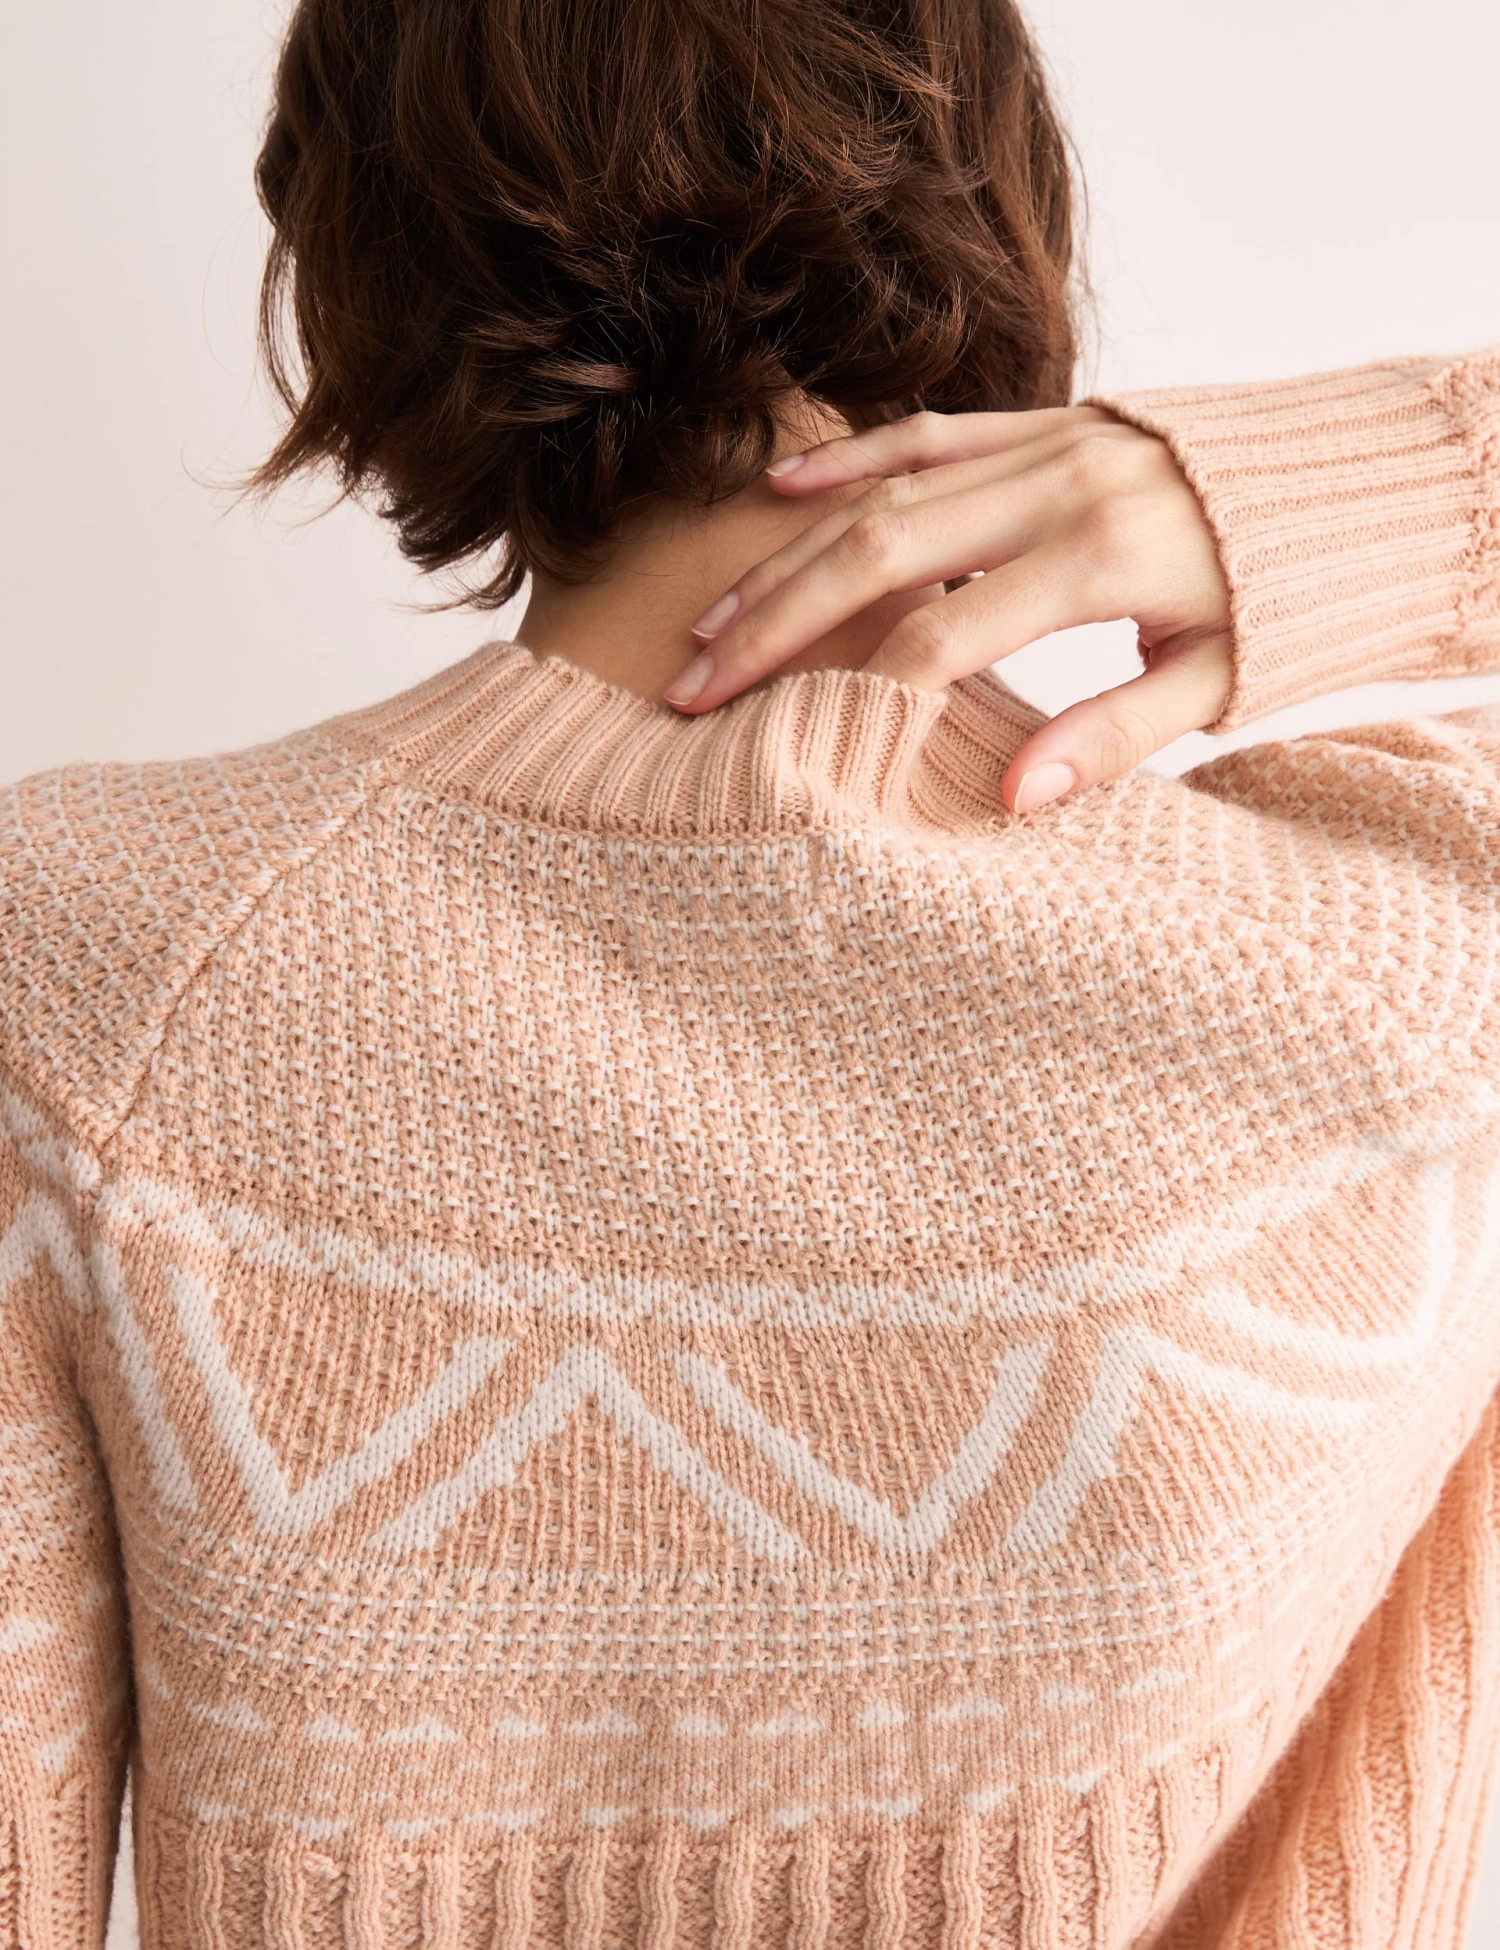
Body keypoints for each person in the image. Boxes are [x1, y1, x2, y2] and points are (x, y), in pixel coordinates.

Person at [1, 2, 1497, 1946]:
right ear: (1009, 201)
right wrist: (1340, 489)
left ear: (357, 265)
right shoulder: (1400, 971)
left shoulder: (99, 960)